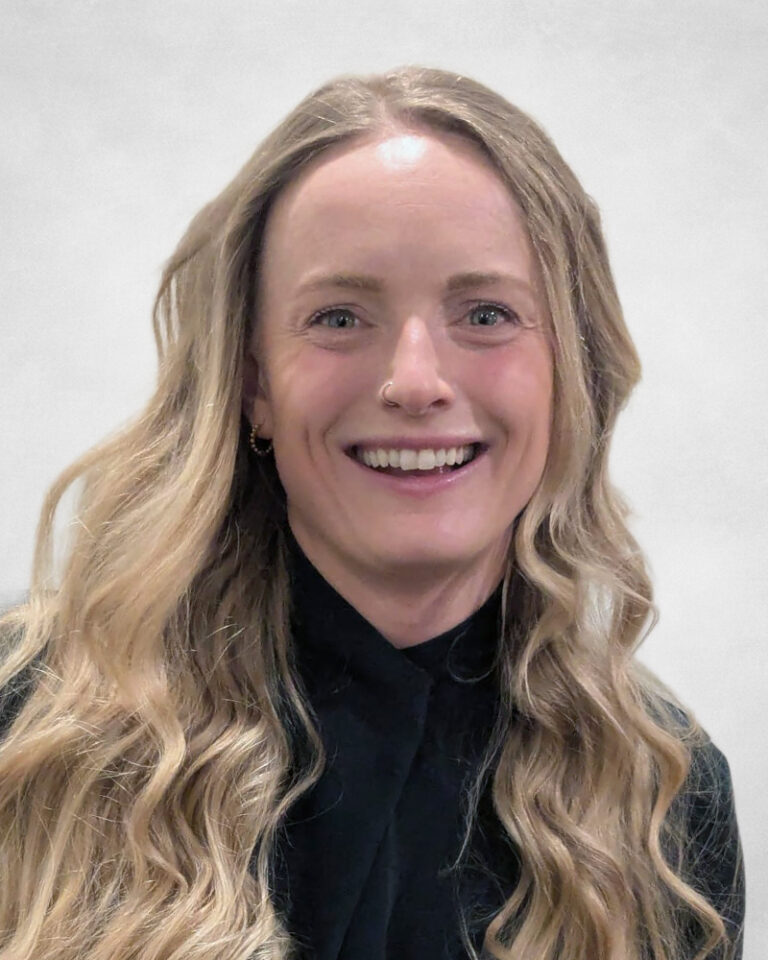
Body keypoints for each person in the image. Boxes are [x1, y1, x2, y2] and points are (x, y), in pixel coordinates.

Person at [0, 66, 744, 960]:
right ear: (252, 381)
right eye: (340, 318)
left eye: (485, 312)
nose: (416, 382)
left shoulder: (662, 799)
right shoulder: (29, 728)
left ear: (570, 375)